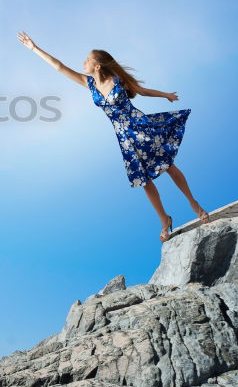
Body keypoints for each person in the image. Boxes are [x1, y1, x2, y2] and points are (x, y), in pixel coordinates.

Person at [17, 31, 211, 243]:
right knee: (144, 180)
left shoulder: (118, 81)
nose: (83, 62)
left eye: (87, 60)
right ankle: (164, 219)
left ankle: (194, 204)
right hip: (124, 138)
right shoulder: (89, 83)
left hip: (140, 126)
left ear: (97, 66)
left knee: (167, 165)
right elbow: (60, 67)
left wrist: (166, 95)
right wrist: (34, 48)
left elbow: (142, 91)